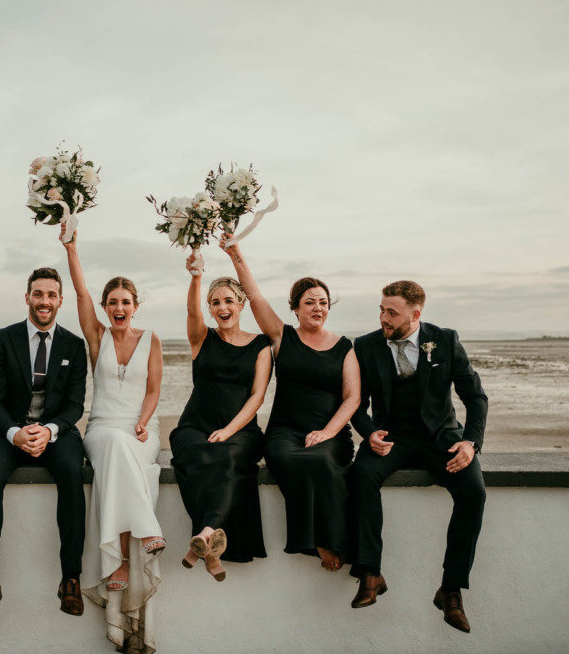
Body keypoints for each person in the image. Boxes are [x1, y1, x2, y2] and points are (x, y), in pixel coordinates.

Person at [348, 280, 488, 633]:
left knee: (473, 492)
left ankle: (451, 589)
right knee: (361, 475)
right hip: (390, 438)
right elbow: (354, 403)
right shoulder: (365, 346)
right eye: (381, 309)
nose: (383, 317)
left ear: (416, 314)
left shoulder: (444, 340)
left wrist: (470, 442)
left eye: (391, 312)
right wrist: (369, 432)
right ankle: (370, 573)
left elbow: (475, 397)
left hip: (441, 438)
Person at [221, 237, 360, 571]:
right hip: (284, 433)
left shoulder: (344, 347)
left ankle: (330, 541)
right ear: (295, 308)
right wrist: (235, 254)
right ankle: (311, 542)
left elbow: (352, 397)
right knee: (292, 460)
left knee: (323, 463)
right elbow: (253, 298)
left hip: (329, 433)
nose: (317, 308)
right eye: (309, 302)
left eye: (323, 302)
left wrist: (327, 432)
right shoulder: (283, 336)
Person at [61, 227, 164, 653]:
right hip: (102, 427)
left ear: (135, 306)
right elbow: (81, 293)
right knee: (117, 448)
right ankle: (143, 533)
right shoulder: (98, 336)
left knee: (129, 449)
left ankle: (120, 559)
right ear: (105, 308)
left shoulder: (151, 339)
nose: (119, 307)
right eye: (112, 302)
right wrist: (72, 249)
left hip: (140, 429)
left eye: (126, 302)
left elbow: (155, 390)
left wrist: (143, 422)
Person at [0, 267, 89, 624]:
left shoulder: (74, 345)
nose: (44, 301)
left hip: (56, 432)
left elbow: (75, 404)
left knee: (73, 472)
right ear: (27, 298)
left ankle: (70, 577)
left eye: (51, 295)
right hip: (7, 430)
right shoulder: (3, 339)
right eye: (37, 294)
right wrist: (15, 433)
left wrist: (50, 431)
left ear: (60, 301)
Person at [170, 255, 273, 580]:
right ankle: (209, 544)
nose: (222, 306)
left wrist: (229, 429)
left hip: (240, 429)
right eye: (215, 302)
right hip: (194, 425)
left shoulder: (260, 345)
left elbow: (257, 396)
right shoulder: (202, 338)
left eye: (229, 300)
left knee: (226, 456)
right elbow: (191, 312)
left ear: (241, 305)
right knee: (199, 454)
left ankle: (205, 533)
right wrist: (196, 277)